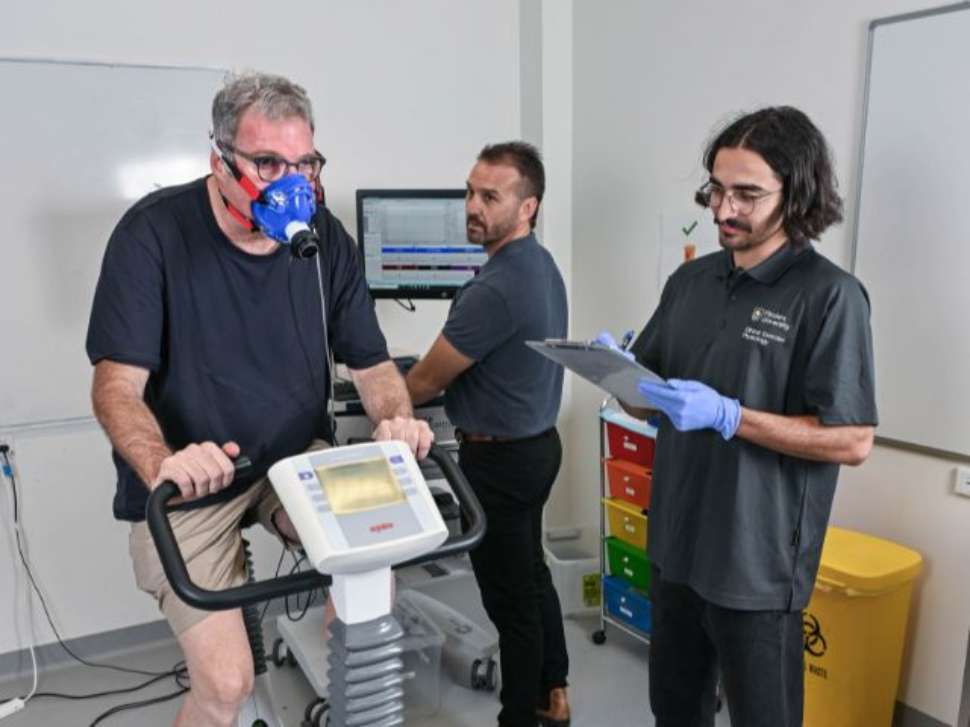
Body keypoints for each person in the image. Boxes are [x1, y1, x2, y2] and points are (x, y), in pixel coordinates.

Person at [85, 71, 432, 727]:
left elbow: (372, 363)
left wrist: (396, 417)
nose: (291, 181)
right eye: (268, 162)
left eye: (305, 163)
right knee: (225, 684)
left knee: (369, 606)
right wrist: (162, 462)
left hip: (293, 456)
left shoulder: (323, 238)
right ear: (220, 161)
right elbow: (114, 389)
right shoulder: (151, 236)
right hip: (191, 479)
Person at [600, 106, 878, 727]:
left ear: (798, 192)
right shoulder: (691, 282)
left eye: (747, 194)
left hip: (755, 568)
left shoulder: (829, 296)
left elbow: (852, 439)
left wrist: (731, 416)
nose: (724, 210)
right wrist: (614, 372)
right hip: (676, 546)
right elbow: (645, 396)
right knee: (673, 710)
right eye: (717, 190)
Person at [405, 141, 571, 727]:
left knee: (509, 599)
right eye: (470, 192)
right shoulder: (538, 264)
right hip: (536, 448)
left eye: (490, 196)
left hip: (501, 463)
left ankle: (519, 717)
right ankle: (554, 691)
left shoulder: (495, 288)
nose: (472, 206)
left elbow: (425, 379)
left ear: (527, 207)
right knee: (531, 573)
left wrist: (381, 393)